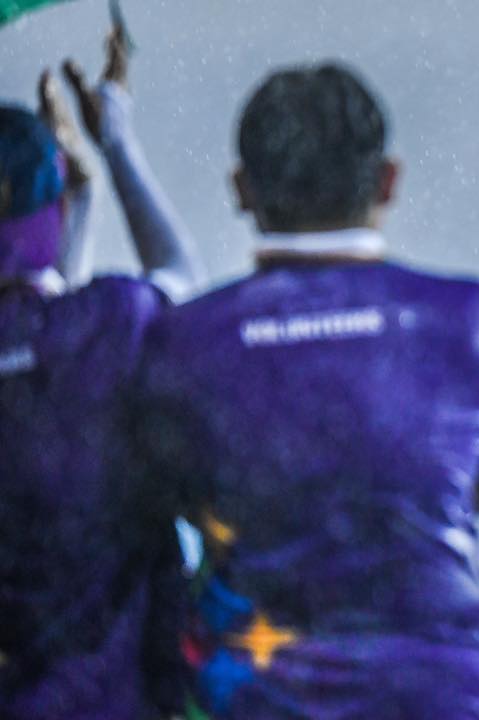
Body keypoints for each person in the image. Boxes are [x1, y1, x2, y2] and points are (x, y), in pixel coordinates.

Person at [120, 63, 479, 718]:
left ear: (242, 190)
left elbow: (174, 500)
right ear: (389, 180)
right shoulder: (475, 321)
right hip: (444, 699)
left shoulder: (181, 343)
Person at [0, 28, 203, 719]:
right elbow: (180, 281)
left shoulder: (86, 330)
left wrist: (76, 205)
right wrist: (114, 140)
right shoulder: (109, 325)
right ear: (51, 212)